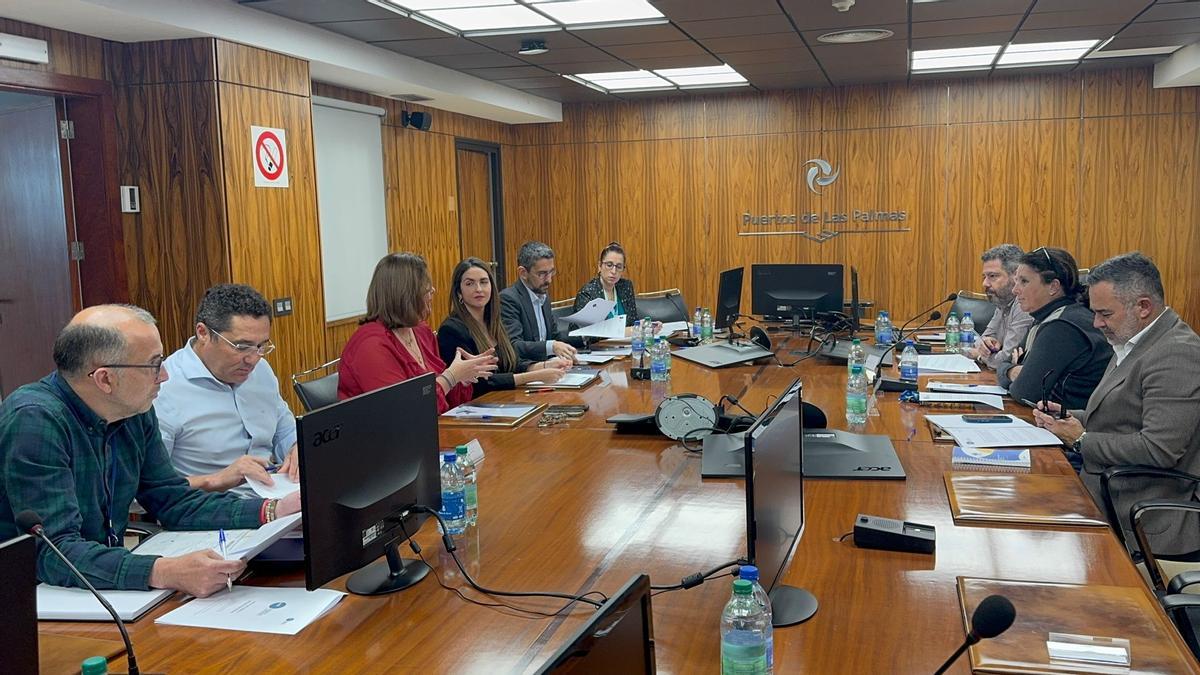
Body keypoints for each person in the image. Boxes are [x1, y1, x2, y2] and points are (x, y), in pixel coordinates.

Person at [0, 305, 300, 597]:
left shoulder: (131, 409)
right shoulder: (36, 421)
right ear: (105, 379)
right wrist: (163, 571)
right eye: (154, 365)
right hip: (36, 600)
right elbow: (54, 551)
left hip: (104, 582)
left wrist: (273, 509)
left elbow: (172, 499)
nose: (165, 376)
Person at [1033, 253, 1200, 554]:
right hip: (1104, 492)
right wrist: (1073, 416)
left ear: (1144, 307)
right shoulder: (1133, 338)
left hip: (1141, 519)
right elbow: (1122, 415)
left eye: (1105, 314)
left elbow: (1158, 448)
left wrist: (1081, 440)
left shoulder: (1177, 354)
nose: (1097, 323)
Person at [154, 284, 298, 496]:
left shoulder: (261, 371)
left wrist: (296, 448)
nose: (253, 359)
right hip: (211, 512)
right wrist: (215, 480)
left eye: (261, 346)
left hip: (278, 497)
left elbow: (284, 429)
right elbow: (146, 490)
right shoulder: (164, 389)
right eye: (241, 347)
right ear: (203, 333)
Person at [338, 252, 497, 413]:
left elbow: (449, 403)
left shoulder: (421, 331)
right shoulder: (370, 345)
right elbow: (404, 412)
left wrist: (463, 377)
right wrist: (451, 377)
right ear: (405, 294)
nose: (432, 291)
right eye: (425, 287)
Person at [997, 246, 1111, 410]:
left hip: (1069, 424)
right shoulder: (1048, 316)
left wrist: (1010, 371)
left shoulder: (1062, 326)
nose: (1015, 290)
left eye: (1024, 281)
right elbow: (1006, 362)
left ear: (1053, 287)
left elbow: (1024, 392)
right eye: (1016, 282)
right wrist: (1010, 370)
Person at [438, 258, 568, 397]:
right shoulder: (452, 330)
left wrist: (543, 366)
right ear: (459, 292)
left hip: (505, 399)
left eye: (483, 282)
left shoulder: (493, 321)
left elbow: (511, 363)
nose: (479, 289)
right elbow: (480, 383)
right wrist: (535, 376)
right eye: (470, 283)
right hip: (477, 406)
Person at [500, 241, 586, 362]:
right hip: (527, 373)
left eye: (551, 272)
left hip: (550, 369)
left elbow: (555, 337)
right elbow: (514, 346)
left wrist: (585, 336)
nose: (549, 280)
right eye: (542, 274)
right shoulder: (508, 299)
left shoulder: (542, 295)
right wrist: (552, 346)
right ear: (523, 273)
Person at [966, 244, 1033, 369]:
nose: (984, 283)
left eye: (992, 276)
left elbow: (1005, 359)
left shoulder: (1023, 305)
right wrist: (987, 343)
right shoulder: (1003, 302)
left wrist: (980, 356)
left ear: (1016, 276)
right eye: (984, 277)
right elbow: (981, 341)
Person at [573, 242, 642, 326]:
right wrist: (625, 331)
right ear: (599, 266)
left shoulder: (626, 286)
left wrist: (645, 325)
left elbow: (633, 321)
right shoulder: (587, 293)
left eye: (619, 267)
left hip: (626, 339)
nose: (614, 271)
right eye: (609, 265)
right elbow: (581, 332)